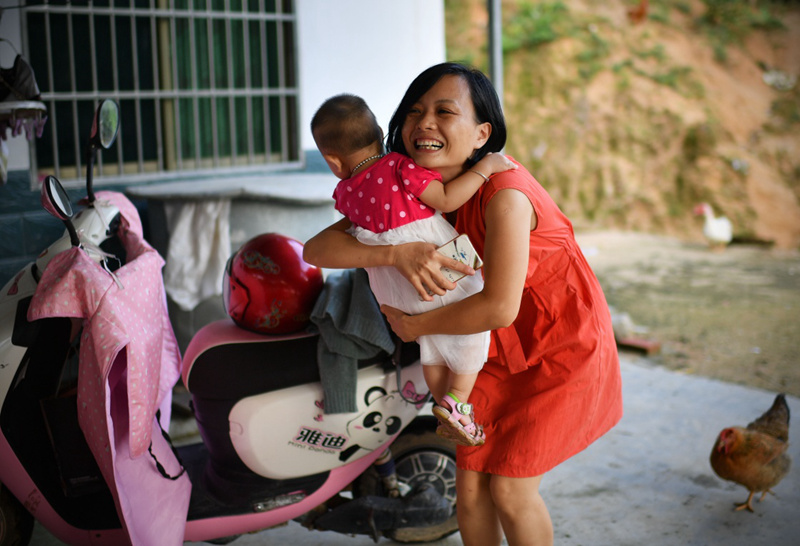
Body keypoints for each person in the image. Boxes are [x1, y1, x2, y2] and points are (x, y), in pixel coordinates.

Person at [304, 62, 624, 546]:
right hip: (488, 350)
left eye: (444, 111)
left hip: (557, 350)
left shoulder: (504, 196)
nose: (424, 122)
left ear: (482, 134)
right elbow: (319, 248)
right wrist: (396, 252)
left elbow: (499, 307)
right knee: (471, 492)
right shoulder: (408, 188)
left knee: (512, 493)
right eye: (415, 111)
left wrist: (416, 327)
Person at [310, 93, 517, 446]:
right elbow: (448, 199)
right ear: (379, 131)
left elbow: (324, 244)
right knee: (473, 329)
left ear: (333, 161)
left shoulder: (345, 192)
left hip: (393, 291)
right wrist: (486, 169)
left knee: (430, 339)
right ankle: (457, 401)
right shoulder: (399, 168)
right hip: (436, 262)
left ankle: (443, 404)